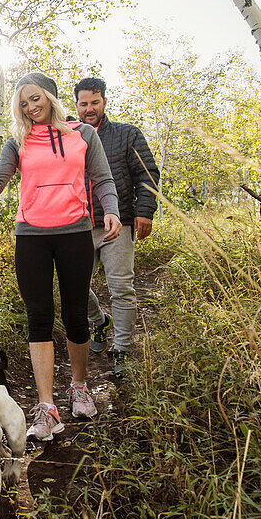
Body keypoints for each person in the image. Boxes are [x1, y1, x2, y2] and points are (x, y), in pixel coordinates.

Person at [0, 73, 121, 442]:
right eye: (23, 103)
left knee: (75, 312)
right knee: (39, 317)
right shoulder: (17, 141)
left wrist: (111, 209)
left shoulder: (83, 134)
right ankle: (47, 407)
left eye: (35, 99)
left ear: (49, 97)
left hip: (76, 233)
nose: (31, 107)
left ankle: (79, 387)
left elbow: (103, 178)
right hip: (31, 237)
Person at [73, 76, 160, 377]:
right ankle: (99, 322)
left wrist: (144, 211)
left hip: (117, 224)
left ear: (105, 102)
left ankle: (122, 348)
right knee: (75, 288)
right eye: (84, 103)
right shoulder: (69, 137)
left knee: (121, 288)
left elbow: (147, 173)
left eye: (95, 102)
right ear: (76, 105)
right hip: (79, 225)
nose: (89, 108)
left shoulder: (126, 135)